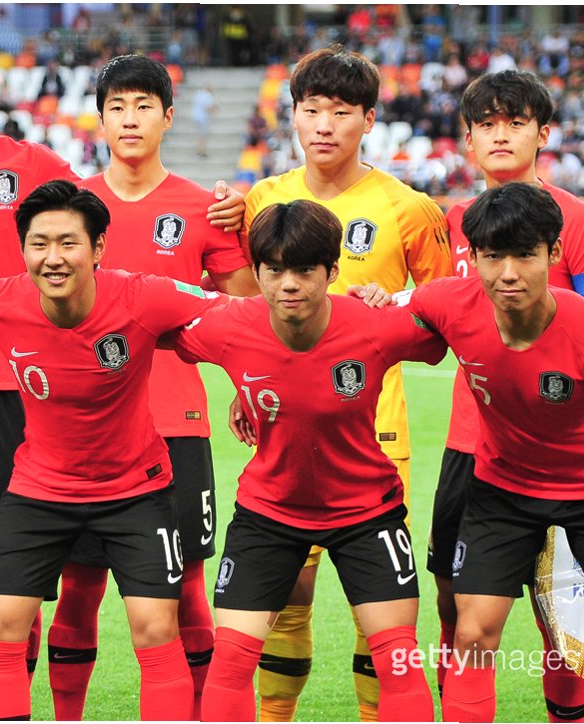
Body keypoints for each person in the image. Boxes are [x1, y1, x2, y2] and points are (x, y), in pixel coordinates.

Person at [0, 13, 246, 713]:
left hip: (15, 391)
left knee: (18, 580)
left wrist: (245, 204)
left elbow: (107, 225)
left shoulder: (38, 167)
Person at [0, 180, 220, 720]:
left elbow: (236, 312)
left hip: (136, 491)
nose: (53, 258)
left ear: (97, 249)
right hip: (39, 491)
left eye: (68, 243)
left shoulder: (143, 295)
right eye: (39, 243)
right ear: (23, 248)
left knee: (156, 628)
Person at [406, 182, 584, 724]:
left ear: (553, 254)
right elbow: (384, 316)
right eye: (492, 257)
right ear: (473, 258)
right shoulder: (449, 303)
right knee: (472, 632)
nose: (508, 273)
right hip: (502, 490)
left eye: (525, 255)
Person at [238, 45, 451, 723]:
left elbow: (447, 320)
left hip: (374, 435)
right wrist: (244, 390)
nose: (324, 125)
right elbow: (248, 314)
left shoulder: (409, 208)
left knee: (378, 612)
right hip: (282, 430)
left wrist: (397, 309)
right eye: (311, 110)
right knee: (285, 599)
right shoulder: (263, 200)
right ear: (293, 116)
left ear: (369, 120)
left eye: (341, 111)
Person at [176, 200, 443, 722]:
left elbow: (453, 317)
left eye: (303, 270)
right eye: (274, 270)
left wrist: (396, 297)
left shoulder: (375, 325)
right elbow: (146, 318)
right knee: (231, 662)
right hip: (269, 511)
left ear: (333, 272)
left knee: (398, 660)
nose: (288, 285)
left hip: (367, 511)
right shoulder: (229, 325)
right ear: (256, 272)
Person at [48, 54, 257, 720]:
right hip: (83, 429)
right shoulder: (70, 208)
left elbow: (244, 312)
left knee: (187, 589)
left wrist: (247, 387)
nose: (130, 119)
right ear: (100, 118)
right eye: (117, 106)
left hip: (175, 423)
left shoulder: (205, 209)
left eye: (143, 106)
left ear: (168, 117)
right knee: (79, 588)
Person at [431, 69, 584, 723]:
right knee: (457, 608)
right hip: (471, 447)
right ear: (467, 139)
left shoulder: (581, 222)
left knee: (563, 623)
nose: (500, 135)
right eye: (486, 124)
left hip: (559, 457)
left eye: (515, 122)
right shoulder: (454, 222)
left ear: (543, 133)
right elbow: (433, 313)